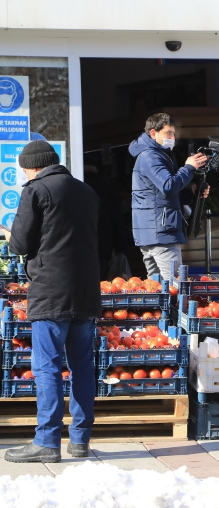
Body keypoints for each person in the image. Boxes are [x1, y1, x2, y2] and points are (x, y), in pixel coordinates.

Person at [3, 140, 102, 463]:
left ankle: (46, 441)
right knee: (81, 367)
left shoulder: (36, 191)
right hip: (86, 291)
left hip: (51, 291)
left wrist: (7, 234)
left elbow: (20, 244)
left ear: (32, 166)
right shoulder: (86, 192)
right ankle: (80, 441)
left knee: (46, 366)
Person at [128, 113, 208, 281]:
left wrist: (191, 194)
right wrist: (189, 167)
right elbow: (168, 185)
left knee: (156, 287)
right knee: (174, 284)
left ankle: (159, 309)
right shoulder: (151, 156)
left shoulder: (156, 154)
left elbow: (160, 194)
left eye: (173, 133)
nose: (172, 137)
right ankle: (172, 308)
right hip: (161, 232)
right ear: (152, 133)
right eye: (167, 133)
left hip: (153, 230)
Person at [83, 164, 126, 280]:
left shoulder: (76, 184)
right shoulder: (106, 186)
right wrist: (120, 245)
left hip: (80, 241)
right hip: (103, 239)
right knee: (100, 280)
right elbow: (116, 216)